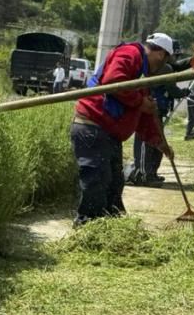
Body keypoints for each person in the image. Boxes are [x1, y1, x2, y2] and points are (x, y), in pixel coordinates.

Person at [71, 32, 175, 224]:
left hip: (109, 134)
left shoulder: (141, 77)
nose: (161, 66)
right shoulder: (130, 54)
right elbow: (113, 81)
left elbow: (143, 119)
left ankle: (112, 225)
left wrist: (160, 144)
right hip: (93, 127)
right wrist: (140, 102)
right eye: (165, 60)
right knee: (97, 180)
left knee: (114, 185)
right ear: (160, 54)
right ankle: (87, 226)